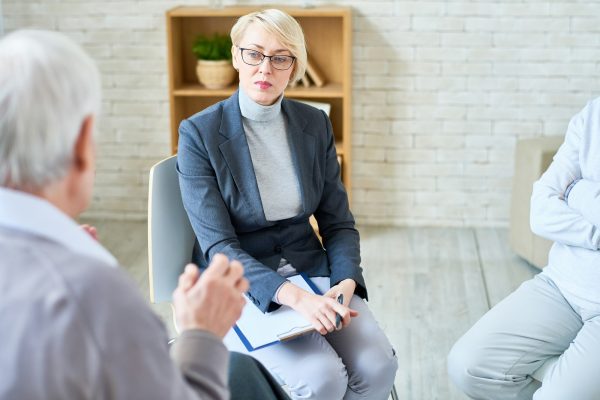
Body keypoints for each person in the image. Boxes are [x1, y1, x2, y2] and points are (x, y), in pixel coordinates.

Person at [0, 29, 290, 400]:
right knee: (242, 372)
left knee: (243, 369)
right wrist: (200, 333)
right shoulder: (92, 293)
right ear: (82, 143)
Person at [177, 9, 398, 400]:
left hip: (311, 270)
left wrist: (345, 282)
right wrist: (298, 300)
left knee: (378, 365)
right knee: (322, 380)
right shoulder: (199, 133)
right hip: (241, 281)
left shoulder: (314, 124)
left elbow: (338, 223)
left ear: (294, 67)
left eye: (281, 57)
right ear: (235, 56)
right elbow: (219, 248)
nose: (265, 68)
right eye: (254, 54)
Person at [447, 97, 600, 400]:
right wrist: (595, 235)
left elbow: (562, 194)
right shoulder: (593, 114)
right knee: (467, 365)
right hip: (561, 286)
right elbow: (540, 210)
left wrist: (577, 192)